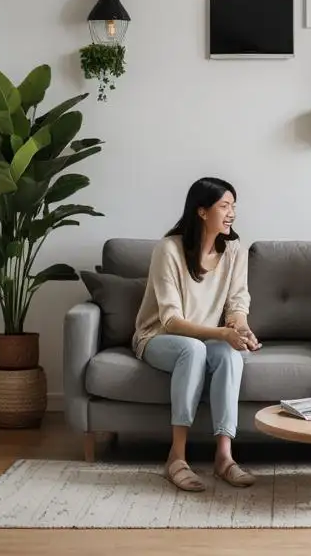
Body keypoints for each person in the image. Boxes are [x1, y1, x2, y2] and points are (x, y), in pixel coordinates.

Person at [132, 176, 261, 492]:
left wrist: (241, 330)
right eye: (224, 206)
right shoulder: (169, 250)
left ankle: (224, 457)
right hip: (158, 337)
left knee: (231, 354)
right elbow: (171, 320)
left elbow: (237, 302)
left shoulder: (234, 251)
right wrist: (220, 332)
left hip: (205, 339)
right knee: (194, 350)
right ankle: (176, 458)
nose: (231, 213)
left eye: (233, 206)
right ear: (202, 211)